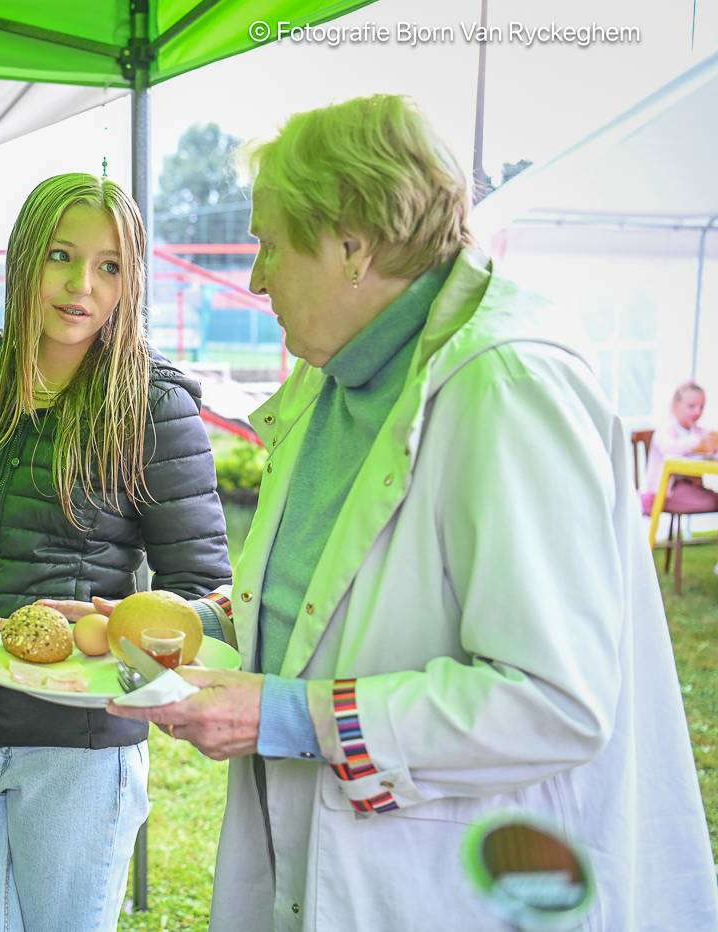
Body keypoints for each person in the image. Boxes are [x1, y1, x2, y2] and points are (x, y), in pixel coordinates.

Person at [94, 95, 718, 929]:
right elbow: (335, 600)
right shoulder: (340, 371)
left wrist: (288, 715)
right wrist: (172, 622)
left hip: (457, 881)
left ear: (354, 246)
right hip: (334, 857)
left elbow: (554, 699)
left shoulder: (511, 384)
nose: (257, 277)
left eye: (271, 245)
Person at [0, 172, 232, 930]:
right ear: (23, 258)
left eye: (109, 267)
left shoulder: (155, 406)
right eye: (61, 256)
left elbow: (201, 593)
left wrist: (113, 632)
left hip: (82, 750)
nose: (81, 286)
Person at [642, 380, 718, 514]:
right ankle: (645, 501)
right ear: (675, 406)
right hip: (665, 492)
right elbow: (668, 447)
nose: (697, 411)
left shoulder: (698, 432)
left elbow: (709, 452)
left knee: (713, 499)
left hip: (689, 488)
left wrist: (713, 449)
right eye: (691, 406)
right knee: (714, 501)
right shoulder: (665, 430)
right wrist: (698, 441)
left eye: (701, 407)